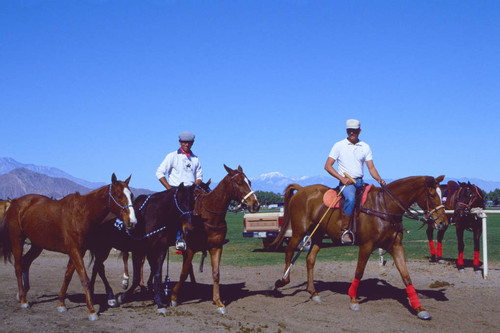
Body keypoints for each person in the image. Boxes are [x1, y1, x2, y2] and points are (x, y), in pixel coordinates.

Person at [324, 119, 386, 245]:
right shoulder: (338, 145)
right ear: (347, 131)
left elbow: (371, 168)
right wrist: (341, 178)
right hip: (346, 183)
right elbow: (328, 166)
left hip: (360, 181)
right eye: (349, 131)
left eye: (355, 131)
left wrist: (379, 179)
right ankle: (345, 231)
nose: (352, 133)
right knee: (351, 199)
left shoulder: (365, 146)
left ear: (360, 131)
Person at [156, 131, 203, 250]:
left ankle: (204, 236)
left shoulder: (195, 159)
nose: (187, 144)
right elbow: (159, 173)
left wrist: (194, 187)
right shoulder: (172, 156)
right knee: (179, 213)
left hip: (191, 191)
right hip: (176, 191)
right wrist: (169, 188)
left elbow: (199, 177)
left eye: (189, 142)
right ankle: (179, 238)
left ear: (192, 143)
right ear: (180, 142)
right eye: (184, 142)